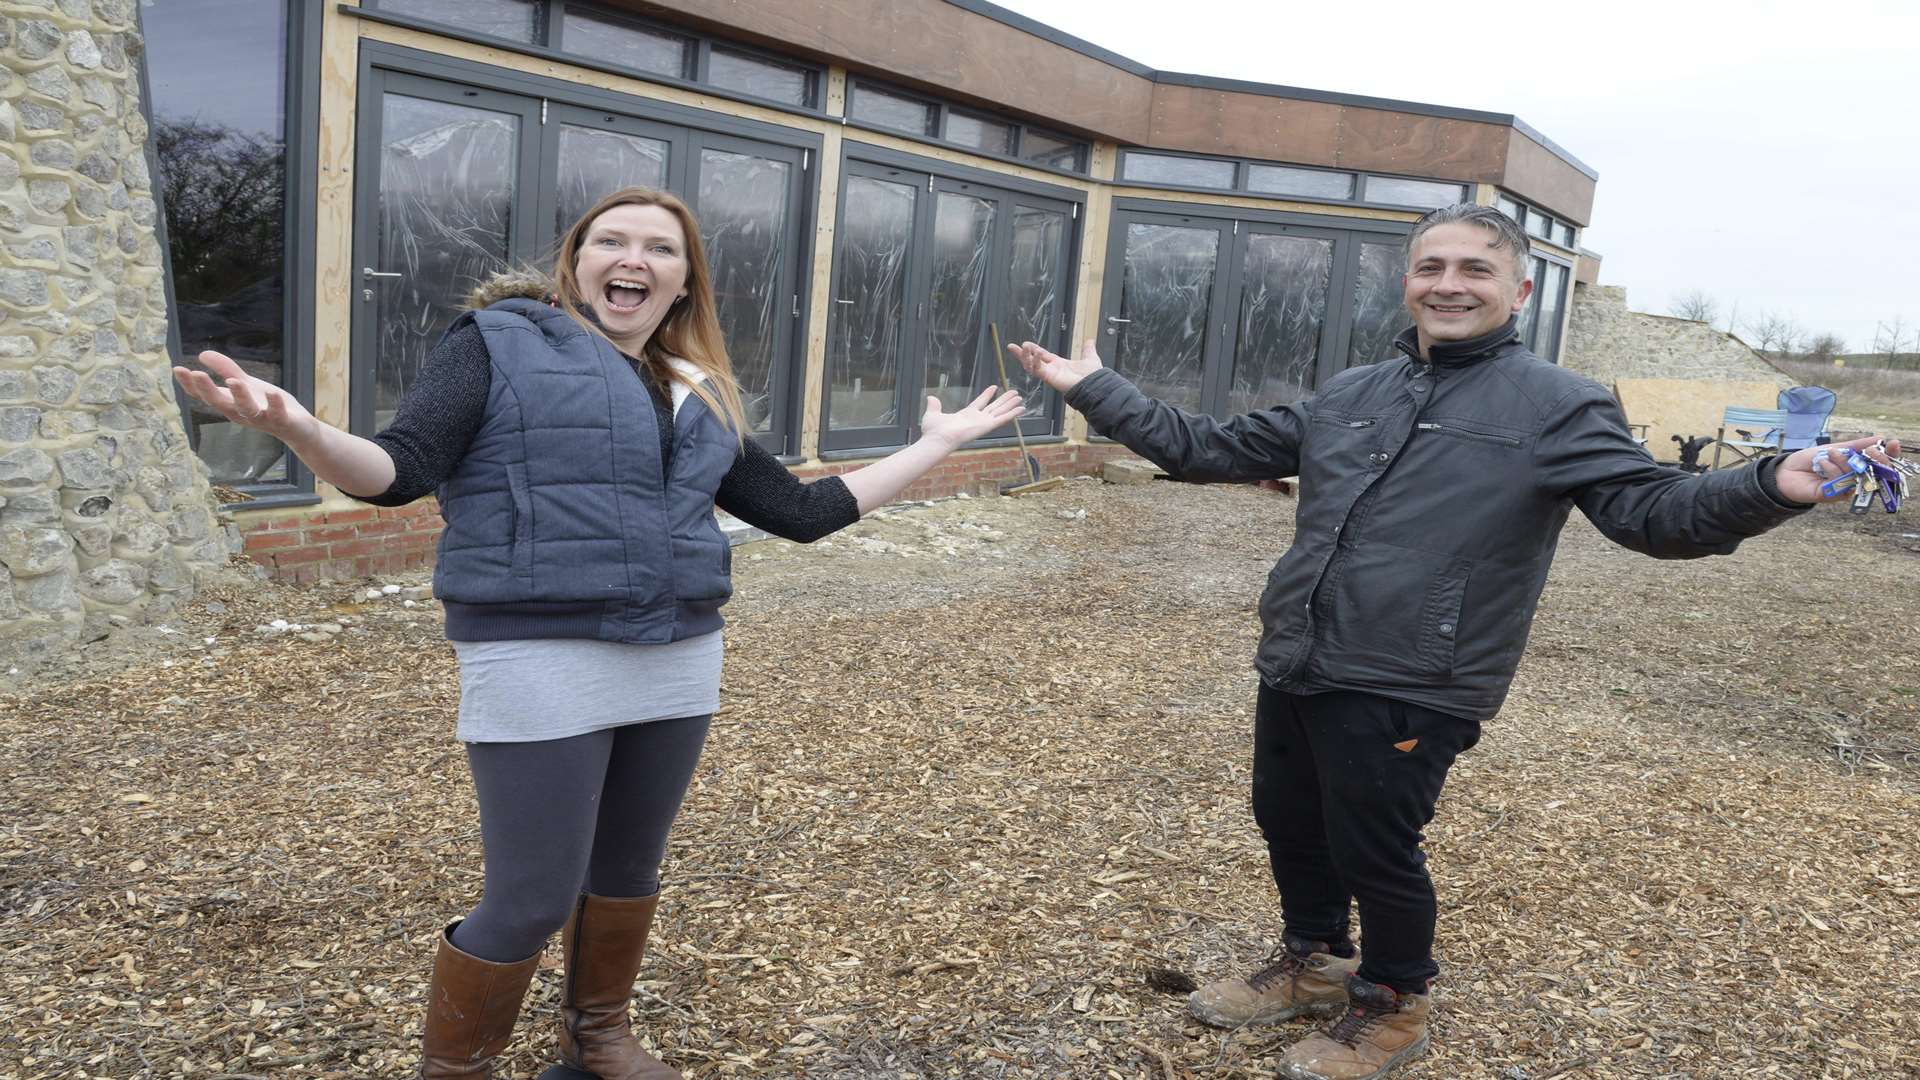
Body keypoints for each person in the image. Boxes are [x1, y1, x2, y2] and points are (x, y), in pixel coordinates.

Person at [1010, 202, 1901, 1080]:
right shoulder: (1356, 392)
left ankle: (1394, 1005)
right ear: (1407, 283)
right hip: (1302, 652)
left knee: (1375, 847)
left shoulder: (1557, 404)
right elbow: (1205, 449)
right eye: (1432, 267)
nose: (1449, 284)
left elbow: (1651, 513)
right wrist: (1095, 388)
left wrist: (1768, 485)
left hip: (1418, 673)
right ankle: (1315, 964)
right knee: (1291, 821)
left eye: (1475, 269)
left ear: (1517, 290)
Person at [174, 186, 1024, 1080]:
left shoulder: (697, 391)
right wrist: (302, 431)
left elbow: (802, 513)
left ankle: (597, 1041)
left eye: (659, 248)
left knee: (625, 869)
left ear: (683, 281)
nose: (634, 260)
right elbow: (400, 469)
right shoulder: (498, 343)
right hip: (539, 654)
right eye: (611, 241)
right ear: (575, 262)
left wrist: (938, 443)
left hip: (679, 654)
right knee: (532, 896)